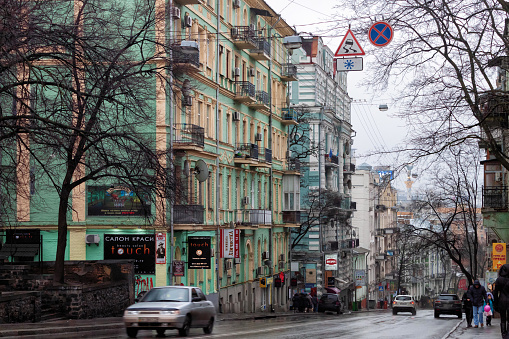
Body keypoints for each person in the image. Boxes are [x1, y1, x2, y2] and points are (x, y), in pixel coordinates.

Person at [494, 263, 509, 339]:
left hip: (502, 301)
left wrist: (495, 304)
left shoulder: (499, 280)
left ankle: (504, 334)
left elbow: (495, 293)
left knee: (502, 319)